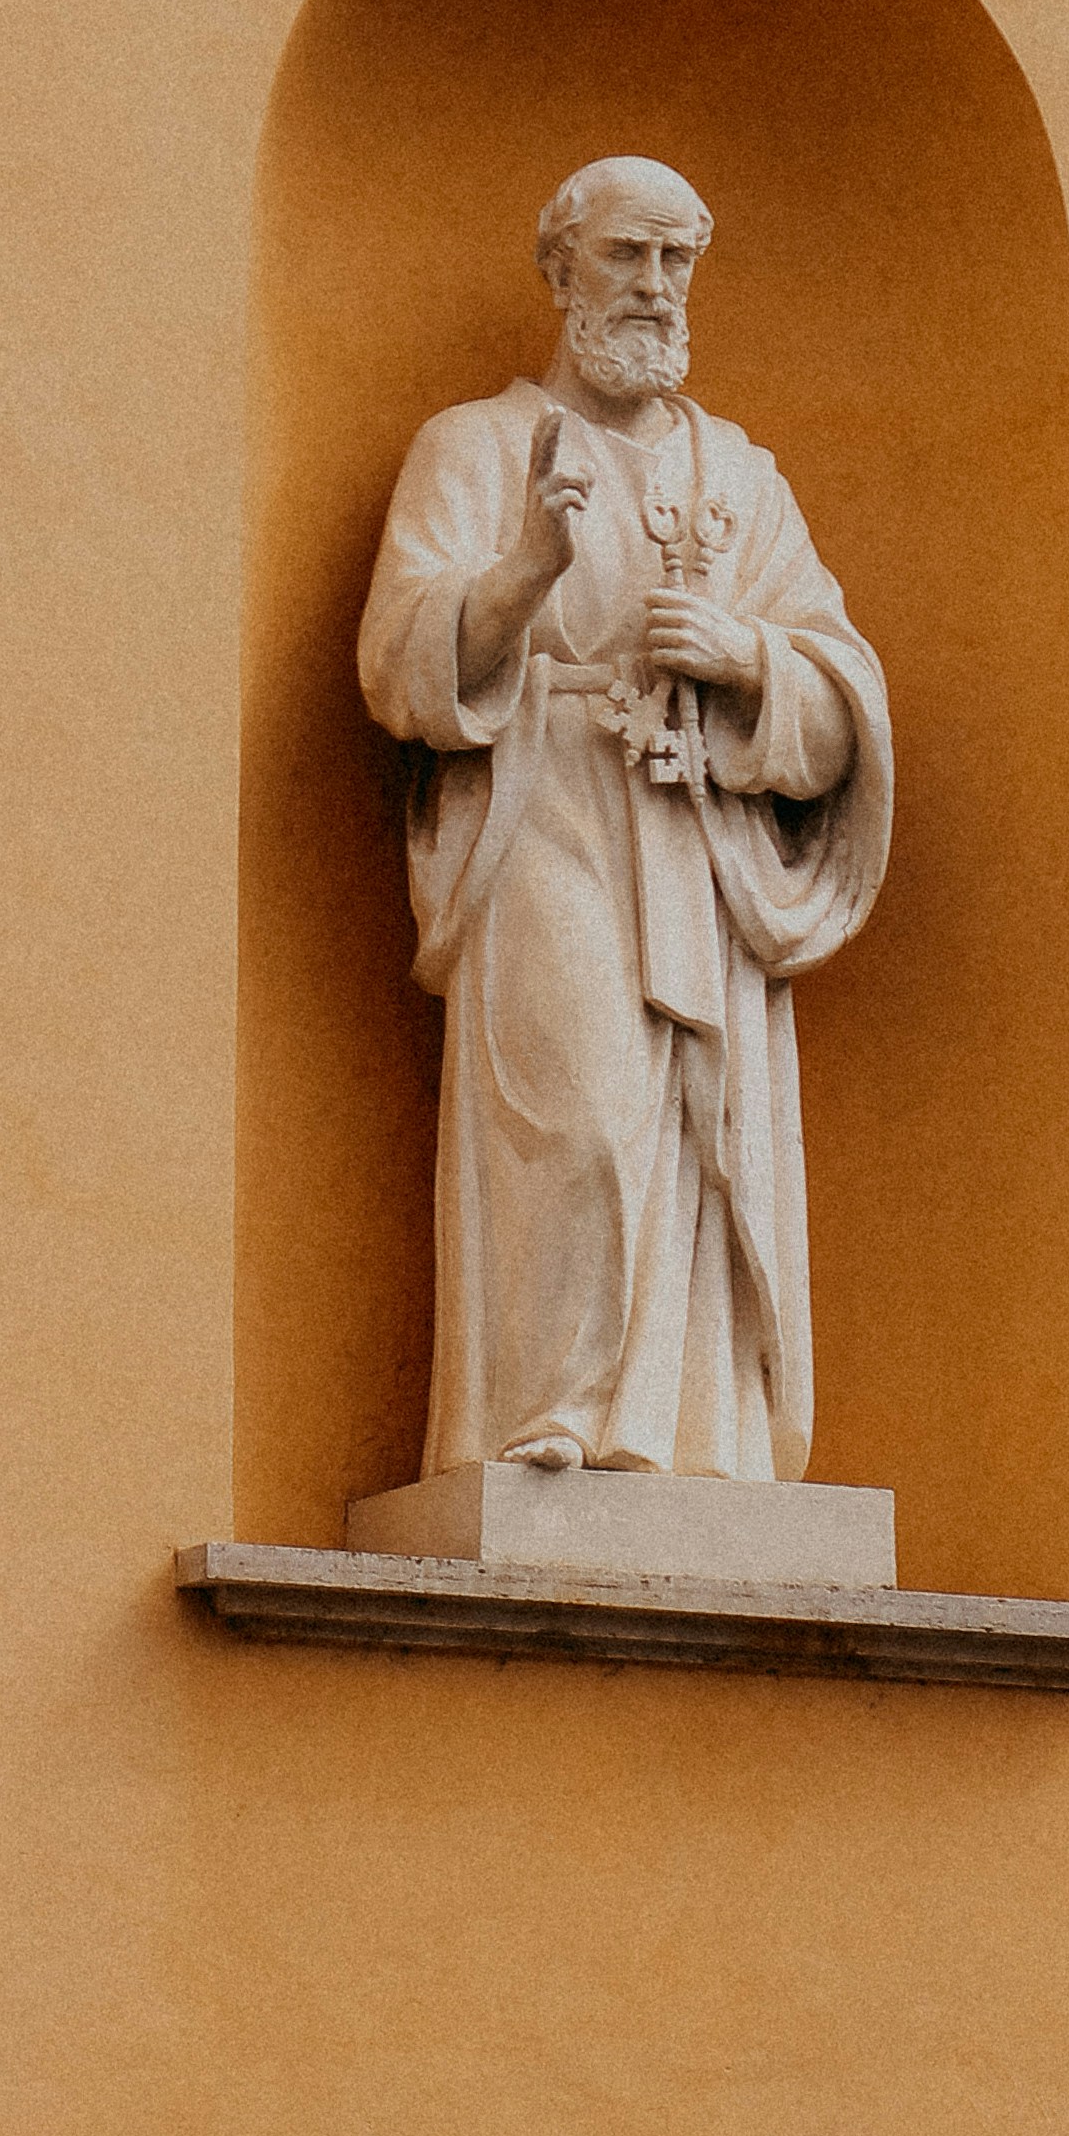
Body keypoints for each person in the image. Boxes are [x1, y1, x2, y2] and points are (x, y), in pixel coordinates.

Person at [358, 157, 891, 1484]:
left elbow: (841, 706)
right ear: (560, 269)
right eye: (623, 256)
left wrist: (748, 658)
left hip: (688, 835)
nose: (652, 286)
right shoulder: (475, 447)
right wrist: (526, 569)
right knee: (581, 1112)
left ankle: (683, 1438)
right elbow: (396, 660)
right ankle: (545, 1412)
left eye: (674, 260)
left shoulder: (738, 476)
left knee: (692, 1134)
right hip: (545, 809)